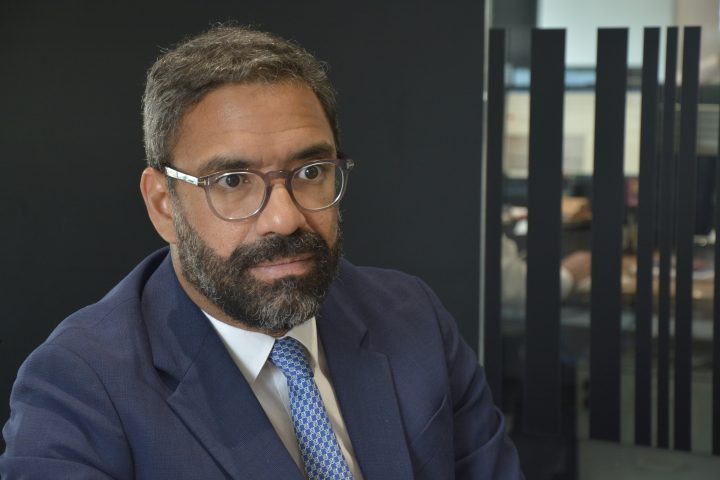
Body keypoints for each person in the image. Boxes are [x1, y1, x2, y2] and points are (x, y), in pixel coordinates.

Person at [0, 25, 523, 479]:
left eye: (311, 172)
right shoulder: (80, 385)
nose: (284, 218)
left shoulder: (411, 317)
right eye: (232, 180)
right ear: (163, 205)